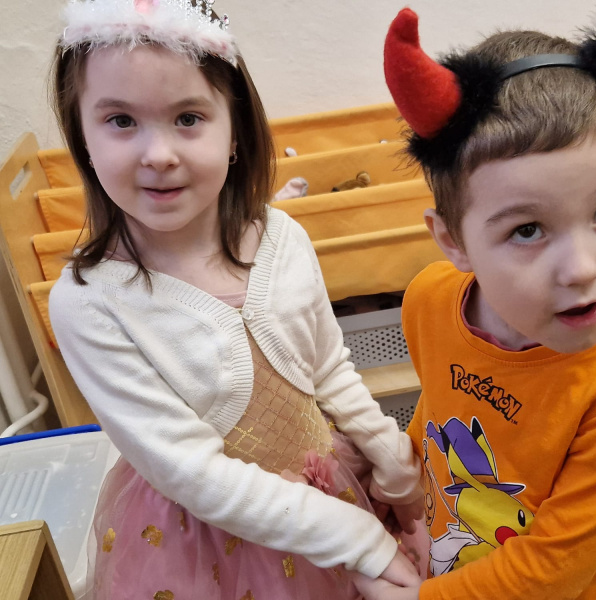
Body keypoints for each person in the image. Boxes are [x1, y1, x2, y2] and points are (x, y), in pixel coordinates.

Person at [47, 1, 424, 598]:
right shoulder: (89, 301)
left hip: (329, 493)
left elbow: (327, 366)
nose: (159, 154)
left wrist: (390, 456)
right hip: (202, 547)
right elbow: (193, 473)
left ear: (234, 132)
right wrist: (360, 542)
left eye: (188, 117)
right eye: (120, 120)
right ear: (83, 139)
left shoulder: (283, 236)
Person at [353, 2, 596, 599]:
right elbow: (439, 410)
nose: (582, 268)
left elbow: (554, 570)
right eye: (528, 229)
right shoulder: (430, 299)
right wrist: (404, 479)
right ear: (453, 241)